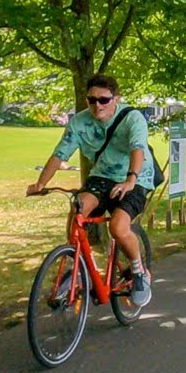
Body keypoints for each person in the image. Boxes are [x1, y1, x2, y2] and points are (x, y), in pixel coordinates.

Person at [27, 73, 154, 307]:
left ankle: (139, 271)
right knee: (79, 208)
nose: (98, 105)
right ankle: (76, 266)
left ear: (116, 99)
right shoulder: (79, 122)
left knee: (117, 226)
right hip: (101, 176)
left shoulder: (132, 118)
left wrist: (130, 180)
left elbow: (138, 149)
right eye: (92, 100)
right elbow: (60, 154)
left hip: (135, 177)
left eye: (104, 100)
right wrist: (41, 184)